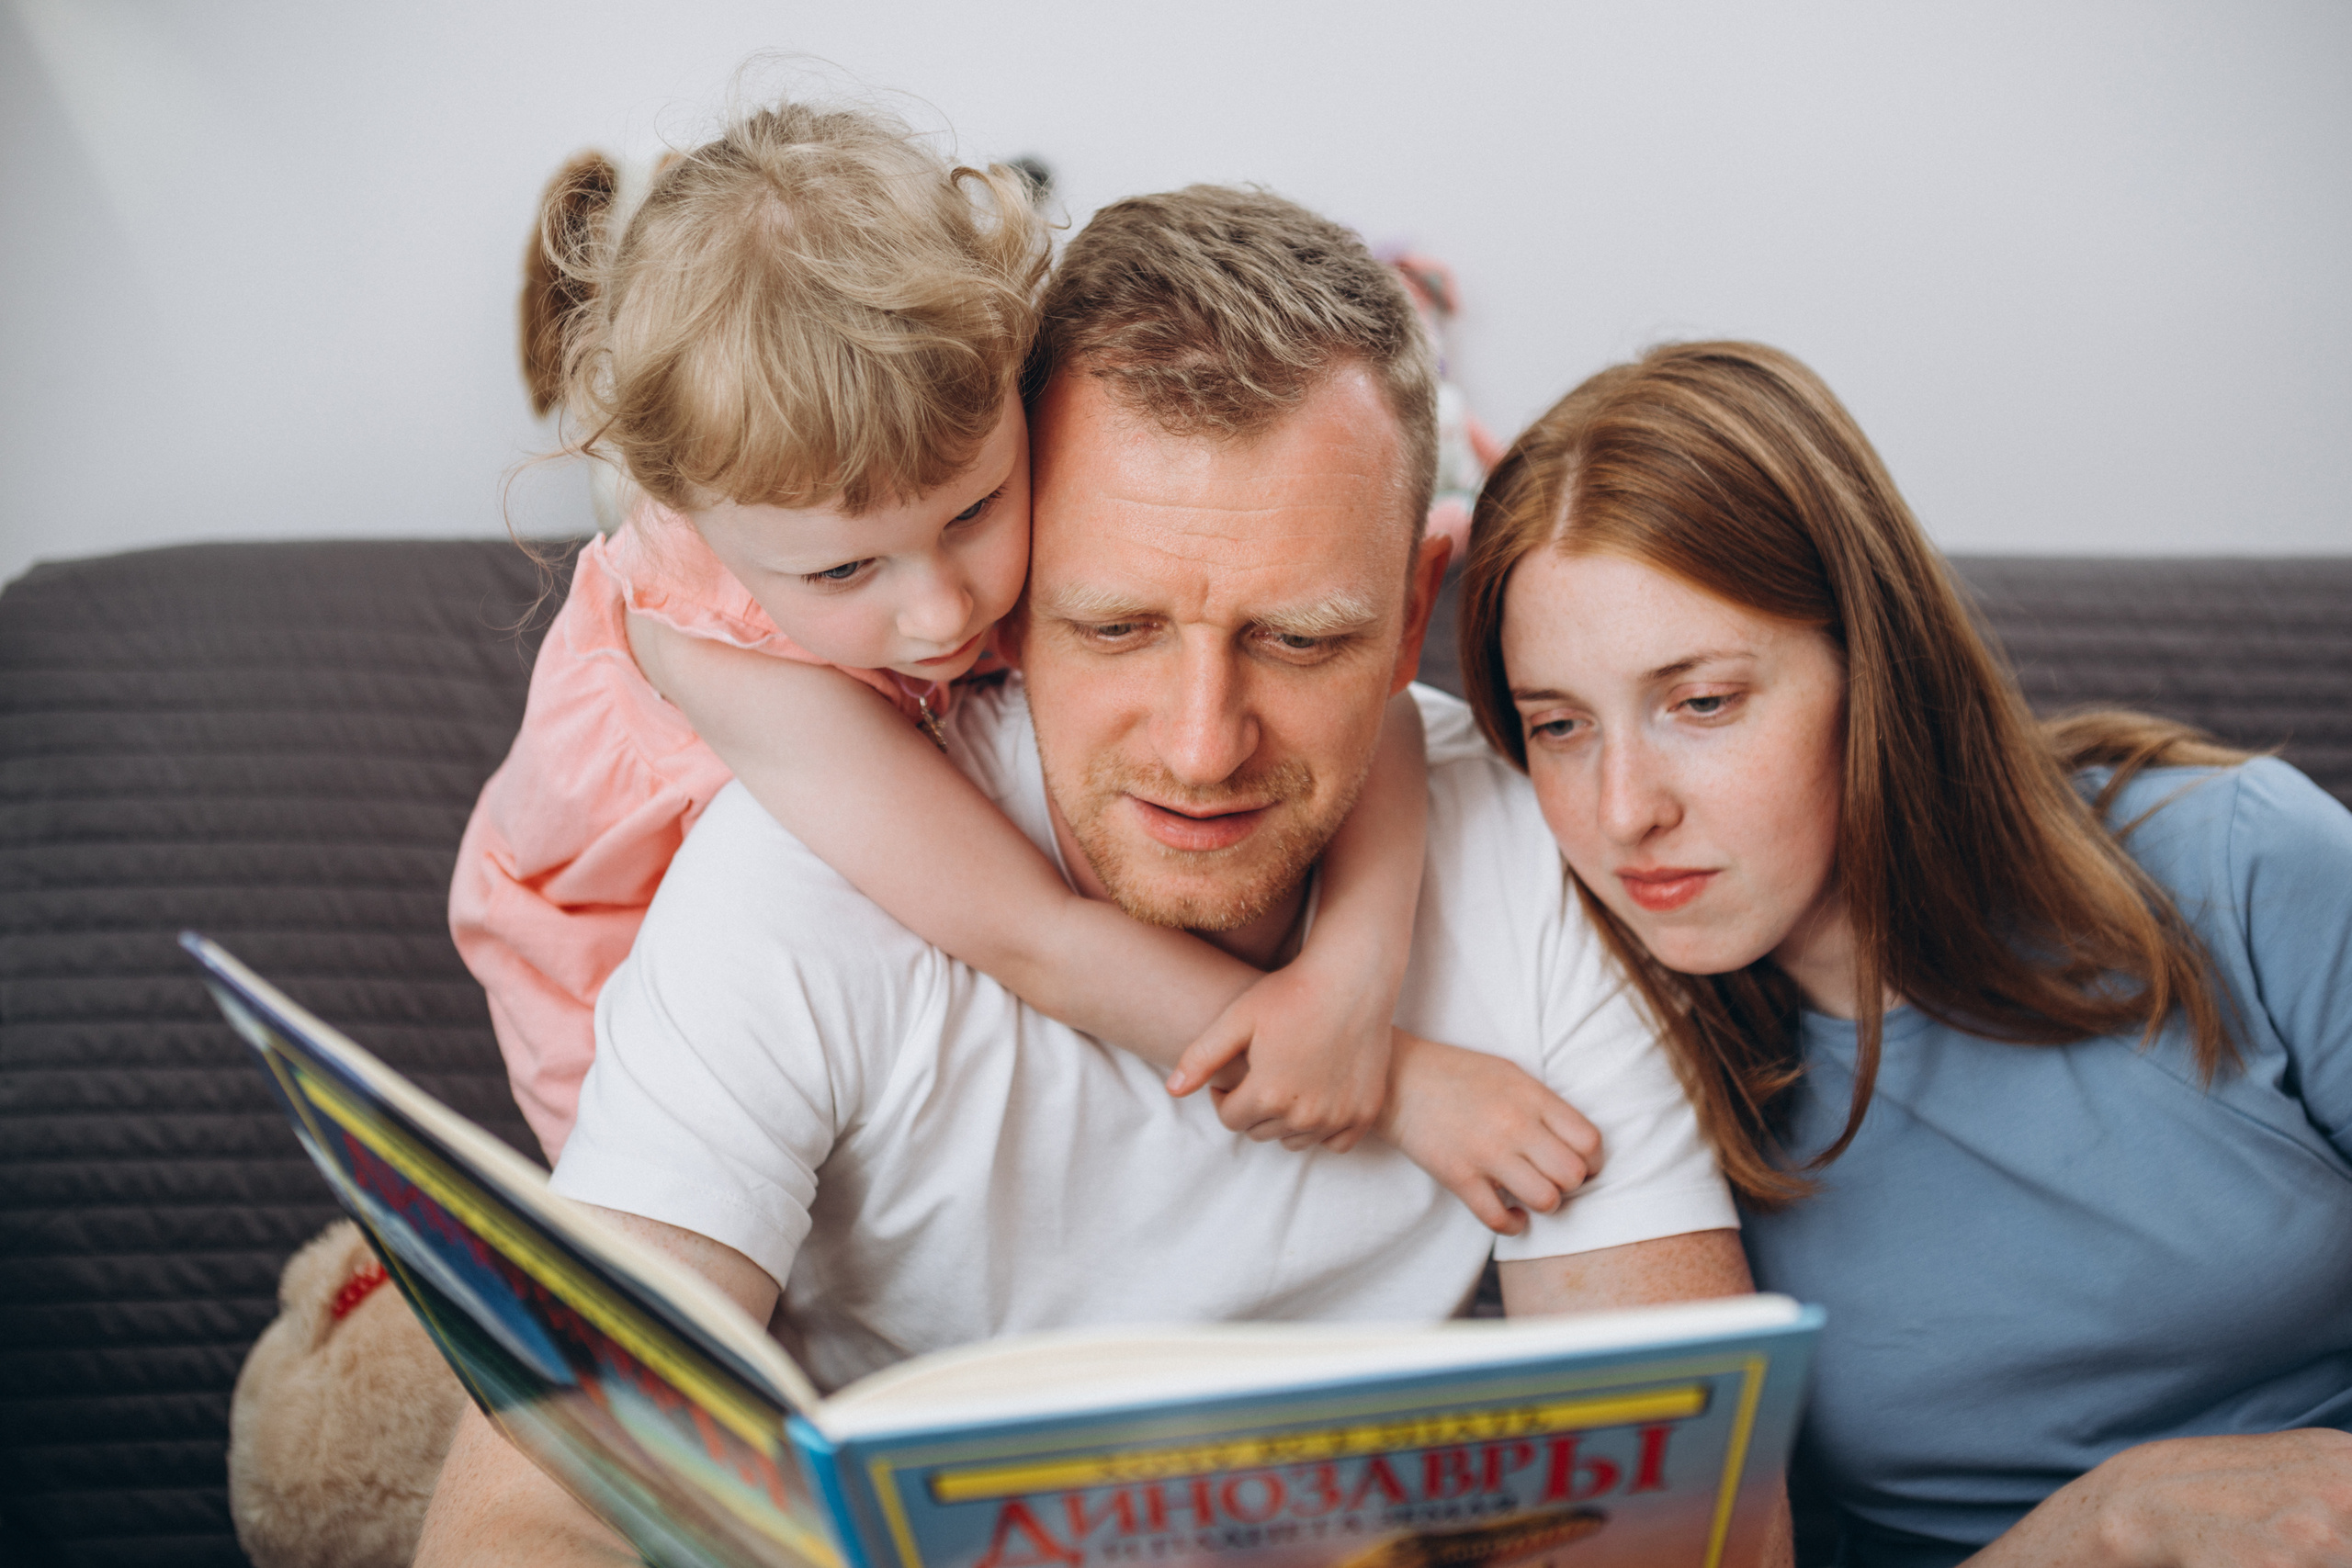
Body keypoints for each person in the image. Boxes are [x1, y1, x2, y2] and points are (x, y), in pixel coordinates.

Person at [413, 186, 1757, 1564]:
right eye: (1115, 628)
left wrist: (1363, 977)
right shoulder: (797, 869)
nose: (1201, 748)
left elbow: (1697, 1522)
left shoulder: (1541, 858)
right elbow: (528, 1516)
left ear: (1416, 604)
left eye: (1301, 640)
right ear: (1017, 599)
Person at [448, 99, 1546, 1211]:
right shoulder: (725, 662)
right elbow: (1036, 937)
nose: (941, 613)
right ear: (687, 510)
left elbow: (1380, 700)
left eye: (974, 511)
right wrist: (1396, 1080)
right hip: (593, 970)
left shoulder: (964, 444)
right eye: (844, 571)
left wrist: (1355, 972)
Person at [1458, 339, 2352, 1567]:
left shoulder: (2238, 860)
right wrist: (2110, 1524)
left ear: (1871, 661)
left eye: (1702, 702)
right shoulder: (1612, 1061)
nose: (1624, 811)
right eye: (1559, 726)